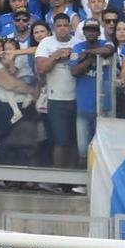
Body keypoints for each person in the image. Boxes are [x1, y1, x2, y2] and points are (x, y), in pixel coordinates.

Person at [36, 11, 79, 168]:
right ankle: (59, 175)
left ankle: (73, 176)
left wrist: (71, 55)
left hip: (77, 98)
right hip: (56, 99)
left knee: (75, 141)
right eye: (59, 25)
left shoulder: (78, 42)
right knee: (60, 141)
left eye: (65, 25)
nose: (62, 28)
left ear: (71, 27)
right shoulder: (46, 43)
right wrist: (56, 56)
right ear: (53, 27)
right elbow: (41, 68)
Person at [70, 17, 115, 155]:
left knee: (104, 151)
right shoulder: (77, 47)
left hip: (104, 107)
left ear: (98, 32)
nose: (91, 33)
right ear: (83, 32)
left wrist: (88, 53)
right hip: (83, 107)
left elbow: (109, 50)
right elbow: (74, 71)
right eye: (88, 30)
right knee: (83, 150)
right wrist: (91, 59)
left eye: (94, 30)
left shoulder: (105, 43)